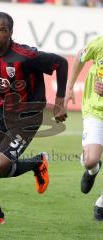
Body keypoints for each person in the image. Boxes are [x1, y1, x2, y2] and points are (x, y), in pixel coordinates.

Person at [0, 12, 68, 224]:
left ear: (10, 33)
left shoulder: (25, 56)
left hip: (27, 115)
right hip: (0, 109)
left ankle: (37, 163)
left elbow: (61, 64)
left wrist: (60, 102)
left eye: (2, 30)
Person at [65, 36, 103, 221]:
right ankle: (92, 169)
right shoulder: (99, 44)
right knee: (90, 160)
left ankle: (101, 203)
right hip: (95, 110)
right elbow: (79, 56)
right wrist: (70, 87)